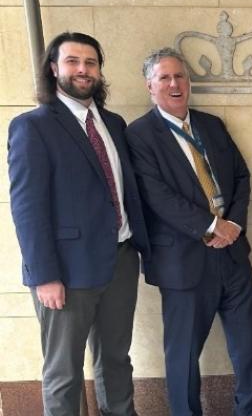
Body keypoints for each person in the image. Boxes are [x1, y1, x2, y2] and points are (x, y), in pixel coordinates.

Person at [8, 32, 150, 415]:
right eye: (73, 61)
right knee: (64, 371)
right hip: (67, 272)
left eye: (91, 62)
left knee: (116, 360)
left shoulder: (114, 124)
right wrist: (44, 276)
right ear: (54, 69)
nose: (83, 69)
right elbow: (27, 208)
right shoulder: (33, 126)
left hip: (120, 260)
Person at [126, 47, 252, 416]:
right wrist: (212, 225)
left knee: (249, 348)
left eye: (180, 76)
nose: (175, 84)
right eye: (164, 78)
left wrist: (233, 225)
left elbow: (241, 176)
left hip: (233, 255)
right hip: (183, 262)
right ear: (150, 86)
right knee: (183, 356)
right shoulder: (139, 135)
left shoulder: (212, 125)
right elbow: (156, 194)